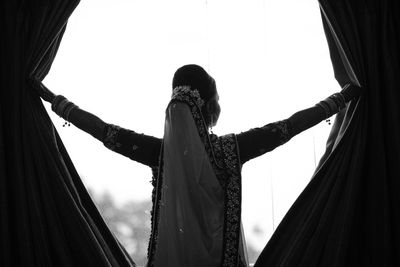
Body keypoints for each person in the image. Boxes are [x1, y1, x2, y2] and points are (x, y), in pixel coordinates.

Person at [32, 64, 361, 267]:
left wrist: (54, 101)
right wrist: (340, 100)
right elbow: (288, 126)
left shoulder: (158, 154)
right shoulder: (233, 149)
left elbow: (105, 132)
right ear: (211, 105)